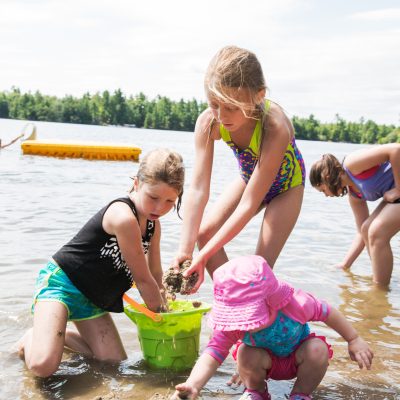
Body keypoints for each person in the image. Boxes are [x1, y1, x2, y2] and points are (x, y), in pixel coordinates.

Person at [16, 148, 185, 378]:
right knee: (43, 367)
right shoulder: (124, 217)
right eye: (153, 197)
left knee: (112, 364)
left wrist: (168, 309)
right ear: (137, 184)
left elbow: (156, 272)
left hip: (92, 299)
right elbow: (143, 279)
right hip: (62, 284)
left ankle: (57, 333)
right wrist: (163, 321)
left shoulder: (154, 227)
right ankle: (32, 337)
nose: (159, 208)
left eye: (169, 201)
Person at [172, 45, 305, 292]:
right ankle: (233, 299)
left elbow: (248, 205)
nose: (221, 116)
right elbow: (198, 189)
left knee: (259, 268)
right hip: (249, 178)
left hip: (287, 187)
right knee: (204, 234)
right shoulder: (208, 122)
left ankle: (256, 302)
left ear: (259, 95)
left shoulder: (275, 127)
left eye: (232, 106)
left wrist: (202, 258)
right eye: (214, 104)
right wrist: (186, 249)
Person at [171, 255, 373, 400]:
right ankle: (256, 391)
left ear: (272, 301)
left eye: (249, 316)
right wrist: (193, 384)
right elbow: (214, 352)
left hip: (297, 356)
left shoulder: (296, 303)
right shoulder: (234, 324)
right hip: (262, 361)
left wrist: (353, 339)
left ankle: (301, 394)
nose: (245, 324)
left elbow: (327, 312)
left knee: (317, 350)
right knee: (245, 352)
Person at [309, 144, 400, 286]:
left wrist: (399, 190)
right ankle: (380, 287)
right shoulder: (355, 195)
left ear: (326, 178)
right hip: (394, 193)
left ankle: (380, 290)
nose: (326, 195)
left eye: (323, 190)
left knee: (377, 232)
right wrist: (345, 264)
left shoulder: (352, 164)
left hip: (398, 190)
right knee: (366, 229)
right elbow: (361, 233)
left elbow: (395, 150)